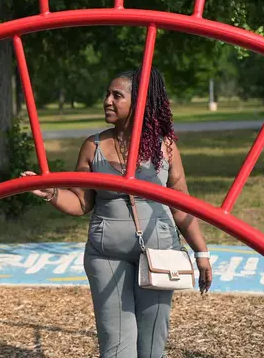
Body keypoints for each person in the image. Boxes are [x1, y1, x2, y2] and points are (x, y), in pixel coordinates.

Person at [22, 67, 213, 358]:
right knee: (117, 345)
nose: (107, 101)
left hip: (159, 253)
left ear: (138, 103)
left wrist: (201, 253)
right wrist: (51, 194)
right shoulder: (93, 146)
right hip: (106, 254)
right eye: (107, 94)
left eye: (117, 95)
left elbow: (181, 203)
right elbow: (82, 203)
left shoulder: (164, 147)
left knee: (151, 344)